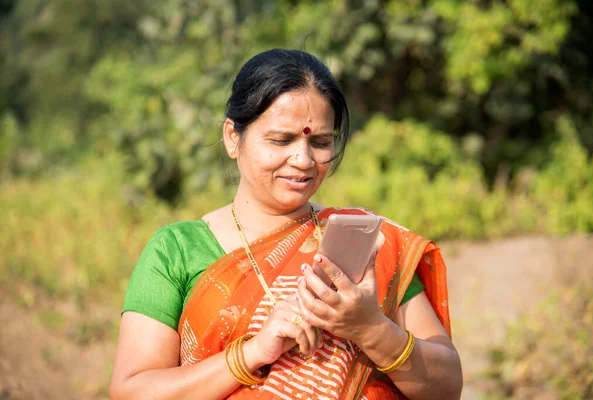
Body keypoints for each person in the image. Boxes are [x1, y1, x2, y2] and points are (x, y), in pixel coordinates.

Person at [110, 48, 462, 400]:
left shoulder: (367, 243)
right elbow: (131, 392)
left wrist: (370, 329)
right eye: (281, 140)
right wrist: (251, 354)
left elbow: (447, 388)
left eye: (321, 142)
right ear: (233, 137)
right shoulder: (177, 250)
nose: (303, 159)